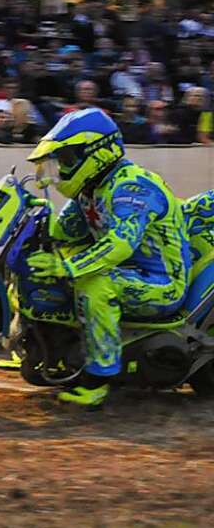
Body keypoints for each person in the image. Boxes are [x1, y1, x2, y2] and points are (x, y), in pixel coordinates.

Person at [25, 108, 190, 407]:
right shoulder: (90, 191)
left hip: (161, 283)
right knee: (56, 268)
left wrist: (68, 266)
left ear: (96, 154)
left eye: (66, 160)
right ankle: (43, 349)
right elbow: (63, 234)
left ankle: (98, 380)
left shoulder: (132, 186)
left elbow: (119, 245)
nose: (61, 169)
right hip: (126, 271)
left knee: (94, 284)